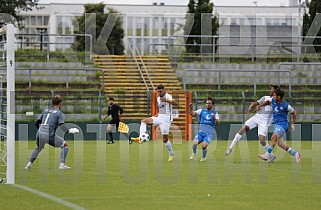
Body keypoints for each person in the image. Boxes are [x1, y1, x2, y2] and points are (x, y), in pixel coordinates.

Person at [225, 85, 279, 162]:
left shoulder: (276, 101)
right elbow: (256, 102)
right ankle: (230, 148)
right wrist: (251, 106)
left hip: (265, 121)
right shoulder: (265, 97)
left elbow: (268, 103)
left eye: (272, 90)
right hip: (257, 117)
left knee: (262, 140)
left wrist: (259, 106)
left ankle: (271, 155)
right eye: (270, 90)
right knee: (243, 129)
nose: (270, 91)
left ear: (276, 92)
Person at [25, 95, 79, 170]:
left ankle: (28, 165)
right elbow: (61, 125)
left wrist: (41, 132)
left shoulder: (45, 110)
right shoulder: (59, 113)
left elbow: (37, 123)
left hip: (39, 133)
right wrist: (69, 131)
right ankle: (62, 165)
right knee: (65, 146)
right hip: (48, 134)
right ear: (60, 103)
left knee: (38, 148)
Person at [131, 84, 178, 162]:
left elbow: (176, 103)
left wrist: (166, 100)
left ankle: (171, 154)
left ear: (164, 90)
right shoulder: (158, 98)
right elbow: (161, 109)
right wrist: (155, 115)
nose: (159, 93)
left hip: (166, 120)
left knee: (165, 139)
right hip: (159, 117)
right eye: (158, 91)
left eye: (160, 91)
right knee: (143, 121)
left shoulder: (168, 96)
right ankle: (141, 137)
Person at [256, 88, 301, 164]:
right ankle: (296, 154)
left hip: (283, 125)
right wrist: (260, 106)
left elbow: (294, 113)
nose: (273, 96)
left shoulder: (286, 106)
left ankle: (267, 155)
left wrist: (293, 124)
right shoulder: (273, 100)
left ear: (279, 97)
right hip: (277, 124)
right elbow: (267, 102)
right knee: (280, 144)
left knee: (273, 137)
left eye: (274, 95)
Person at [189, 97, 220, 162]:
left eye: (210, 103)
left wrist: (215, 119)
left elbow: (218, 123)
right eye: (207, 103)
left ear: (212, 104)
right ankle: (194, 153)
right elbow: (192, 113)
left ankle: (203, 157)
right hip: (201, 132)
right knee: (195, 143)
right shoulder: (201, 111)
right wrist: (191, 108)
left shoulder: (215, 113)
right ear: (205, 104)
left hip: (208, 134)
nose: (208, 104)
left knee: (204, 145)